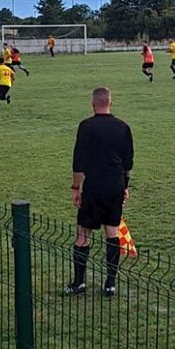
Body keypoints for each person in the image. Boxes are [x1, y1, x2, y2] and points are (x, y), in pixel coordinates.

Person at [65, 87, 134, 298]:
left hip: (94, 185)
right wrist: (125, 186)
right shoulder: (123, 127)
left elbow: (78, 162)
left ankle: (79, 282)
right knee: (112, 231)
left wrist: (76, 188)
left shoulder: (86, 126)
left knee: (83, 233)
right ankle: (110, 283)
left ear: (93, 104)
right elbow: (128, 162)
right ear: (111, 103)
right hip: (114, 183)